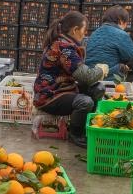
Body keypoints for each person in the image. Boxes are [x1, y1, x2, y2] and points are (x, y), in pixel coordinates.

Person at [32, 11, 109, 148]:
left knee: (98, 88)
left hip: (63, 89)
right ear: (75, 30)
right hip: (49, 96)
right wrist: (101, 70)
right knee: (85, 102)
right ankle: (76, 134)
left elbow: (82, 74)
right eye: (84, 31)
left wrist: (96, 72)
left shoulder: (64, 44)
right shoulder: (64, 49)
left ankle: (88, 126)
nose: (85, 35)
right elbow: (87, 76)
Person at [85, 5, 133, 78]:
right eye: (126, 22)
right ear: (121, 20)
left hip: (90, 77)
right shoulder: (121, 34)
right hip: (109, 78)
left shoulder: (94, 33)